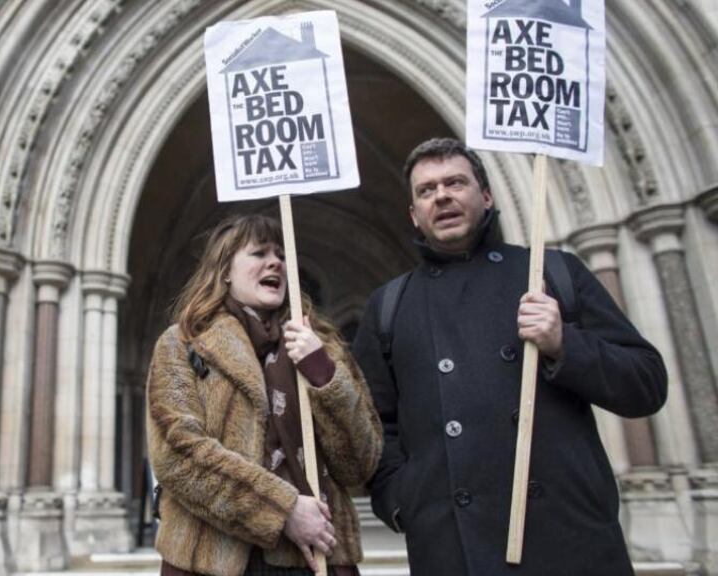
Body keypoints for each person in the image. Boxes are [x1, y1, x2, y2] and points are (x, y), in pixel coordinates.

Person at [352, 138, 667, 576]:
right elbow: (371, 428)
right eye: (426, 190)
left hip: (569, 540)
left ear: (485, 195)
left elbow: (647, 385)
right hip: (454, 548)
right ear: (414, 215)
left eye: (455, 182)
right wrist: (404, 502)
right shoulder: (389, 305)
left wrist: (564, 343)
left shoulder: (553, 273)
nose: (441, 195)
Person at [146, 213, 383, 576]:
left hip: (315, 560)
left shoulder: (323, 347)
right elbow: (177, 455)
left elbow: (358, 466)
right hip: (213, 561)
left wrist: (323, 375)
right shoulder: (183, 344)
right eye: (258, 253)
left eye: (281, 254)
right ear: (224, 270)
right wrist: (282, 510)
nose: (275, 262)